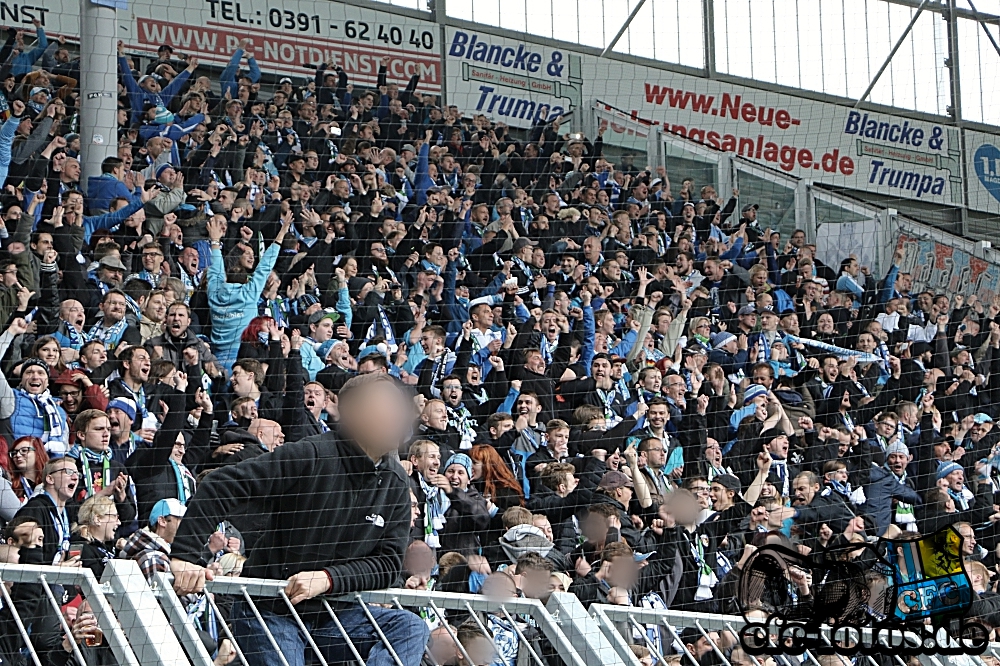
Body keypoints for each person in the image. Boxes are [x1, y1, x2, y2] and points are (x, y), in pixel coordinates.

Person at [170, 373, 430, 666]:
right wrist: (185, 556)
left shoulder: (395, 482)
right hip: (270, 609)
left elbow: (387, 564)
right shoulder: (311, 454)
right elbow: (222, 484)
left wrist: (328, 579)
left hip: (335, 615)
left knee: (409, 627)